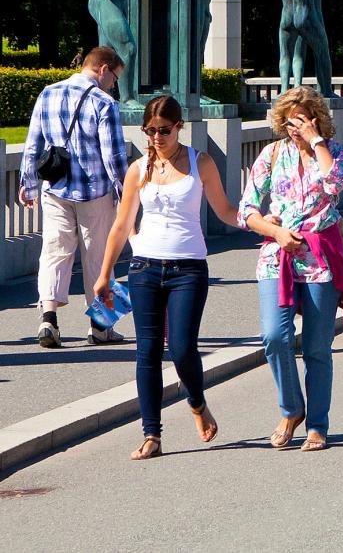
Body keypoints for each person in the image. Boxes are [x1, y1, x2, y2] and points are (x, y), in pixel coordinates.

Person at [91, 95, 238, 459]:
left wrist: (266, 226)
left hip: (188, 266)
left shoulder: (199, 162)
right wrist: (104, 273)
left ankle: (197, 402)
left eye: (164, 130)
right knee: (148, 351)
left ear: (179, 127)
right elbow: (122, 224)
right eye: (150, 131)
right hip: (143, 268)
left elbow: (225, 210)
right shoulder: (138, 170)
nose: (157, 137)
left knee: (183, 348)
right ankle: (152, 434)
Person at [239, 86, 343, 451]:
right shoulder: (271, 155)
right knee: (275, 337)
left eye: (300, 121)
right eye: (288, 121)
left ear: (315, 118)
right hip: (278, 254)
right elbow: (247, 211)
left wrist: (315, 140)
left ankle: (318, 425)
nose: (293, 128)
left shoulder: (334, 153)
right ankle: (291, 409)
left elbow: (335, 186)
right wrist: (275, 231)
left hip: (320, 257)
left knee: (318, 346)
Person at [21, 46, 129, 348]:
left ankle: (49, 320)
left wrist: (28, 184)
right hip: (95, 192)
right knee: (99, 257)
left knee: (54, 252)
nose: (113, 85)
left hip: (55, 189)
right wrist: (126, 193)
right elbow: (114, 156)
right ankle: (101, 327)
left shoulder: (48, 93)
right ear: (104, 69)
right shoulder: (104, 103)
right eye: (114, 78)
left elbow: (33, 144)